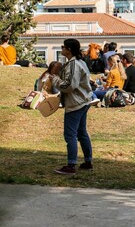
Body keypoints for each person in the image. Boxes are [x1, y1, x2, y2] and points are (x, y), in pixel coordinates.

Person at [50, 38, 94, 175]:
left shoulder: (73, 64)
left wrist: (55, 79)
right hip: (84, 101)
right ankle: (88, 161)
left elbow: (69, 85)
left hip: (76, 103)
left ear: (68, 49)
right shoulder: (80, 62)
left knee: (70, 135)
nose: (61, 48)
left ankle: (71, 165)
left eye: (63, 47)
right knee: (82, 133)